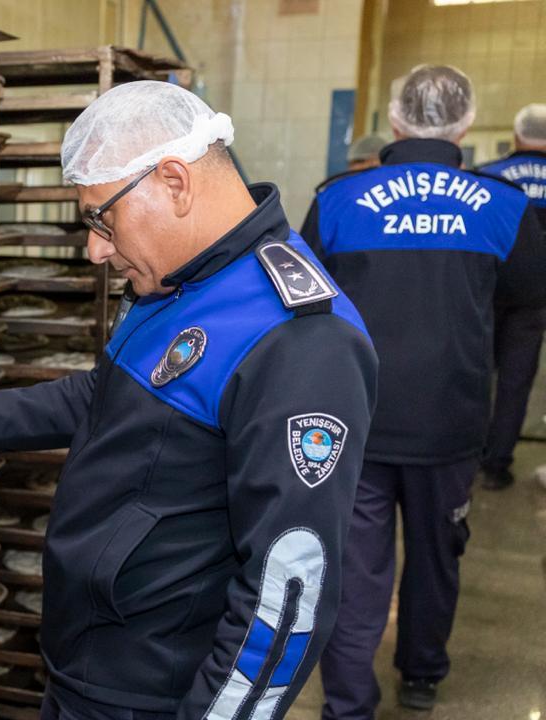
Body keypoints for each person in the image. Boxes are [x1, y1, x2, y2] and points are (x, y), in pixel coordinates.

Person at [0, 81, 378, 720]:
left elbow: (288, 592)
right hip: (88, 663)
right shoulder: (177, 281)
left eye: (102, 218)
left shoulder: (298, 340)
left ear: (174, 182)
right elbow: (107, 396)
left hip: (157, 693)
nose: (94, 249)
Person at [300, 66, 546, 717]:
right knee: (438, 556)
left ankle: (347, 703)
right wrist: (500, 426)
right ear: (467, 123)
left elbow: (302, 314)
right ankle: (422, 675)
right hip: (451, 424)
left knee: (354, 568)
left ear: (394, 119)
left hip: (355, 420)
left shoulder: (338, 201)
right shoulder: (504, 207)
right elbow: (525, 310)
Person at [476, 103, 546, 490]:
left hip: (487, 289)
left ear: (517, 137)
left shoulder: (487, 177)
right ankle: (496, 465)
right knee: (516, 381)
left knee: (475, 372)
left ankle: (466, 452)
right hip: (535, 298)